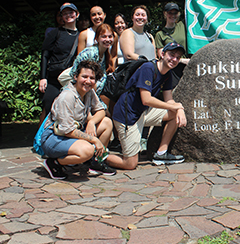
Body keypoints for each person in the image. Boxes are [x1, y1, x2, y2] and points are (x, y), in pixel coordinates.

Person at [106, 42, 187, 170]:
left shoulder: (168, 74)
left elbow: (169, 99)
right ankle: (96, 156)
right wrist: (175, 107)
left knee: (174, 114)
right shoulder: (148, 68)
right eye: (172, 54)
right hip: (127, 116)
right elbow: (146, 99)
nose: (174, 59)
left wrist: (179, 108)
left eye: (178, 57)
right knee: (130, 164)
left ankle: (161, 153)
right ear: (162, 54)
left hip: (143, 113)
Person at [40, 60, 116, 179]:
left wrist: (91, 122)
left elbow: (101, 110)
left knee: (107, 123)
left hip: (74, 130)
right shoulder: (67, 97)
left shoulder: (89, 92)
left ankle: (95, 162)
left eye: (92, 78)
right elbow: (67, 130)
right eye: (84, 76)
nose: (88, 81)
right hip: (55, 136)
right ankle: (55, 163)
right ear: (76, 77)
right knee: (88, 150)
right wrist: (94, 140)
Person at [39, 3, 80, 114]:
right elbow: (45, 55)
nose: (68, 15)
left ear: (77, 14)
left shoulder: (81, 36)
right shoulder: (55, 33)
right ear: (61, 17)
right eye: (65, 13)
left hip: (71, 79)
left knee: (68, 110)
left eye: (71, 12)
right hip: (54, 78)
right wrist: (43, 78)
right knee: (49, 106)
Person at [69, 24, 115, 101]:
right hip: (77, 95)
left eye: (110, 36)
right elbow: (74, 73)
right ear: (96, 39)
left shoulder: (105, 56)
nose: (107, 39)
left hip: (92, 96)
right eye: (104, 36)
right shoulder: (89, 53)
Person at [155, 2, 189, 77]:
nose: (173, 15)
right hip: (172, 70)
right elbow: (162, 56)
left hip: (186, 68)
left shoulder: (183, 25)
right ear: (165, 13)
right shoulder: (159, 34)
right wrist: (182, 60)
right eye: (170, 13)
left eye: (175, 13)